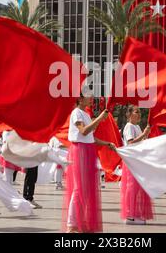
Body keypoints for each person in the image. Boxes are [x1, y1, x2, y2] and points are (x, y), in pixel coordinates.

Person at [63, 94, 115, 233]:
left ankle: (80, 221)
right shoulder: (76, 113)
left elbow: (91, 136)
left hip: (87, 150)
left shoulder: (85, 114)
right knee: (79, 188)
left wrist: (106, 143)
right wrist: (98, 119)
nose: (90, 99)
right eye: (87, 97)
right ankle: (72, 225)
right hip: (79, 150)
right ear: (80, 99)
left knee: (85, 189)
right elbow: (84, 131)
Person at [120, 106, 153, 225]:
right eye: (136, 112)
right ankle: (130, 215)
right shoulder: (129, 127)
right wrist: (144, 134)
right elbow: (130, 143)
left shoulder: (137, 127)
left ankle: (136, 213)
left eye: (139, 112)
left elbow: (141, 142)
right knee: (131, 188)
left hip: (138, 161)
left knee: (138, 188)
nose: (139, 114)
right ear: (129, 114)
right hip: (131, 161)